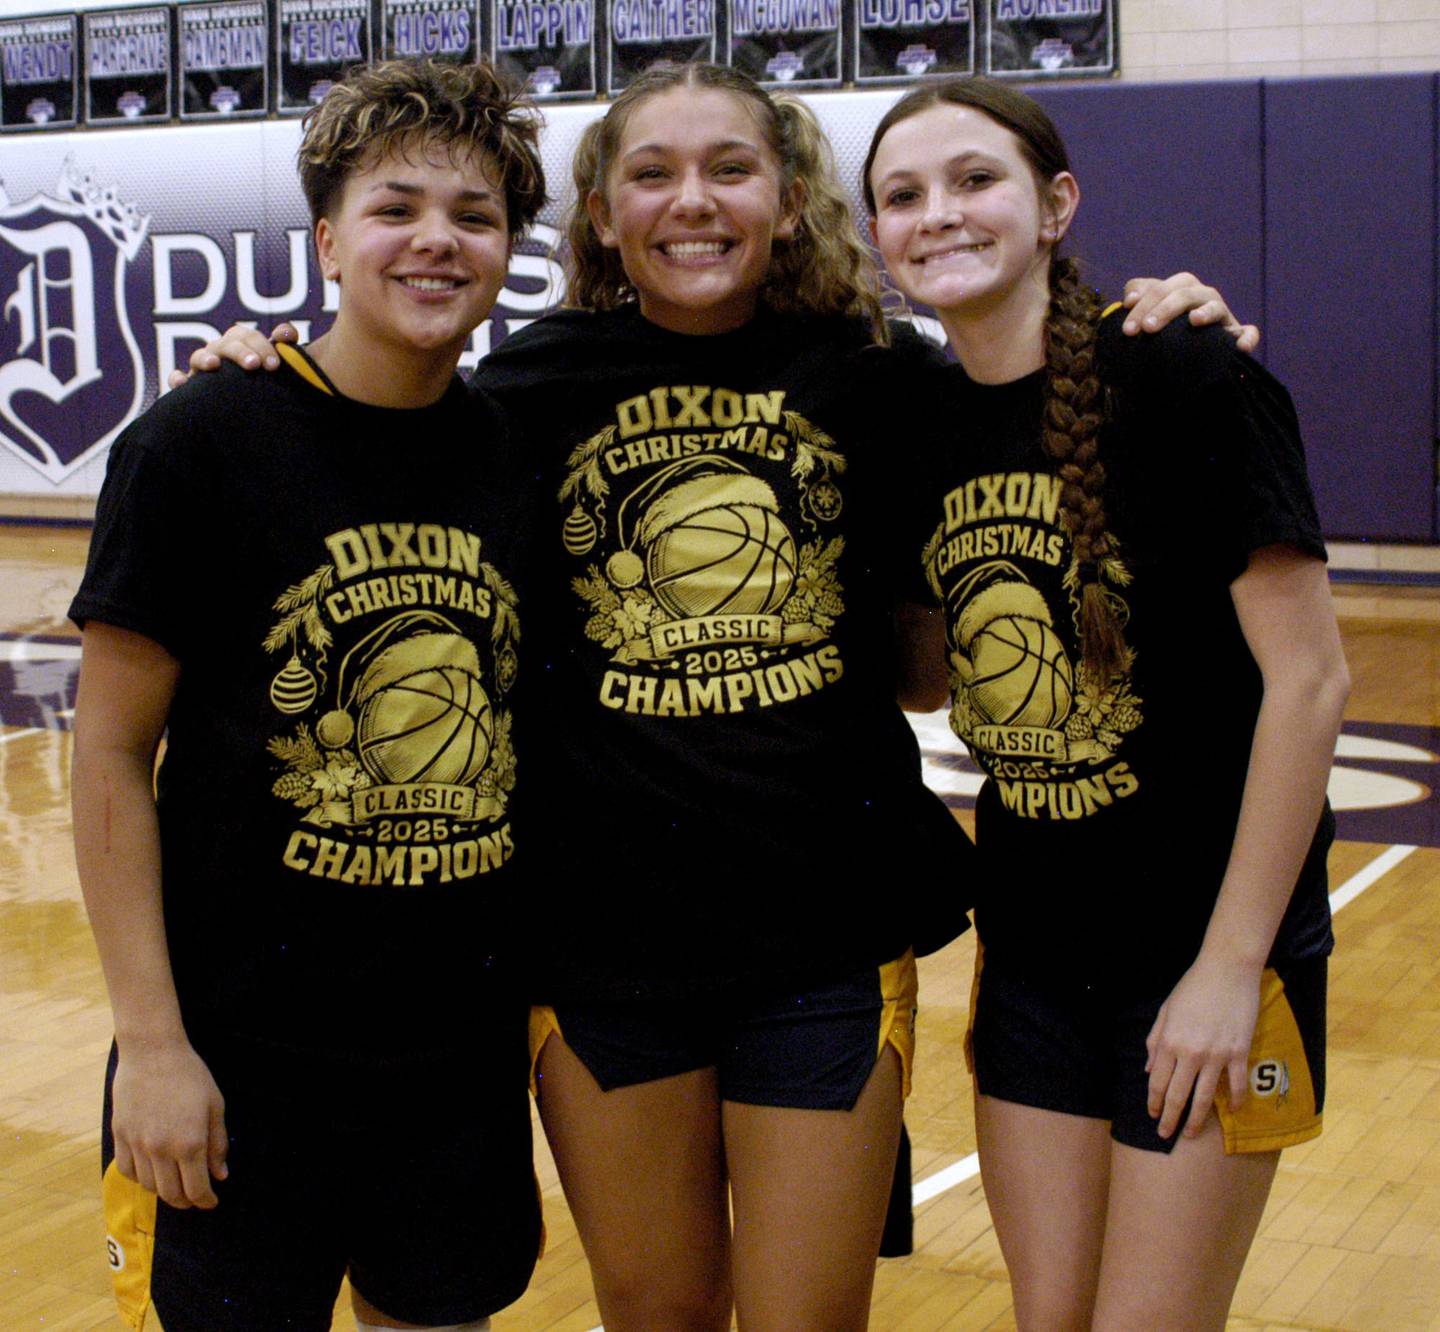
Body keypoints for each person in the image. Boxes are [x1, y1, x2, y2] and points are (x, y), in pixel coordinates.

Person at [179, 62, 1257, 1330]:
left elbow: (1027, 393)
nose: (692, 202)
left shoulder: (882, 375)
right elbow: (361, 432)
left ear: (789, 200)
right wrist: (256, 366)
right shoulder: (521, 393)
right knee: (662, 1316)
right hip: (598, 949)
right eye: (652, 173)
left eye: (730, 169)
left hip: (823, 943)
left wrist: (1167, 316)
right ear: (601, 216)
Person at [70, 60, 548, 1332]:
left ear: (511, 251)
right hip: (238, 1059)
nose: (438, 239)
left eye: (477, 214)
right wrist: (155, 1047)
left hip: (452, 1060)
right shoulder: (199, 441)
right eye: (397, 207)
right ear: (329, 240)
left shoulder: (513, 456)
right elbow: (110, 756)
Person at [863, 78, 1348, 1329]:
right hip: (1034, 960)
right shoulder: (915, 413)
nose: (939, 215)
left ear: (1055, 203)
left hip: (1210, 957)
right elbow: (924, 674)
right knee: (1051, 1319)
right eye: (903, 196)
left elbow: (1310, 682)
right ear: (875, 236)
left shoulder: (1182, 374)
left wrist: (1231, 969)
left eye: (976, 181)